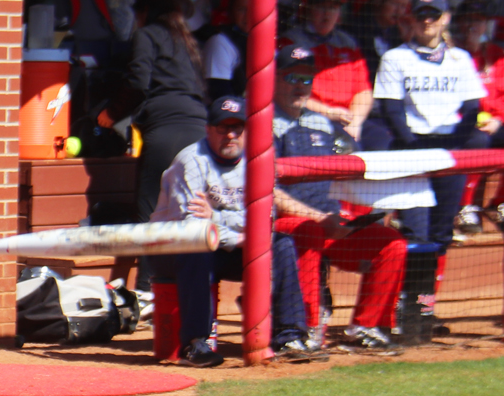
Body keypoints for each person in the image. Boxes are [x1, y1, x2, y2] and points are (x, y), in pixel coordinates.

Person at [149, 95, 316, 365]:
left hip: (233, 244)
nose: (230, 135)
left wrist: (216, 217)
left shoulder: (259, 160)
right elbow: (193, 227)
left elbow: (265, 219)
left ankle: (289, 336)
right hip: (173, 248)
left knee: (282, 244)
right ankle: (195, 344)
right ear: (208, 130)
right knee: (197, 249)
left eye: (237, 128)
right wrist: (242, 233)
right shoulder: (190, 161)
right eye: (222, 128)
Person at [271, 45, 407, 350]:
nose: (299, 86)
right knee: (308, 231)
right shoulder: (263, 122)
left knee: (392, 243)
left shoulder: (322, 123)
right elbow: (266, 190)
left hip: (332, 221)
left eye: (306, 79)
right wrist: (317, 218)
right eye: (292, 77)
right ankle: (302, 327)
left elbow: (346, 176)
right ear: (275, 79)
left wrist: (369, 209)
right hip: (284, 227)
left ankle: (366, 327)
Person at [99, 0, 209, 291]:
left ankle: (150, 289)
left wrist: (110, 114)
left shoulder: (146, 35)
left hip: (165, 128)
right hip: (199, 129)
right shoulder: (186, 40)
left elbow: (138, 82)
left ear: (145, 11)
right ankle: (192, 286)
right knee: (192, 208)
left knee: (152, 209)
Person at [372, 0, 486, 266]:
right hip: (410, 148)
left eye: (433, 15)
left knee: (442, 232)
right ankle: (409, 301)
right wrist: (414, 147)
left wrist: (453, 147)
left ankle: (425, 303)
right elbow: (392, 110)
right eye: (421, 14)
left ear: (445, 18)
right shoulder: (395, 57)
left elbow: (472, 107)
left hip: (449, 150)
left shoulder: (460, 59)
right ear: (411, 19)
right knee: (415, 232)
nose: (427, 21)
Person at [278, 0, 375, 143]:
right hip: (311, 116)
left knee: (382, 139)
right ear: (308, 9)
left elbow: (364, 92)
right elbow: (287, 91)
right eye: (321, 6)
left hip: (350, 118)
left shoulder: (348, 43)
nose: (327, 13)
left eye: (333, 8)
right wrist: (328, 112)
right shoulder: (291, 41)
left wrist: (356, 122)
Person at [453, 0, 504, 233]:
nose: (471, 25)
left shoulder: (496, 54)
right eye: (467, 19)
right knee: (478, 141)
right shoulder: (452, 54)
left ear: (486, 24)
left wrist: (499, 119)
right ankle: (465, 207)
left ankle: (499, 203)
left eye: (477, 20)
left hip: (494, 120)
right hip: (463, 121)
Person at [201, 0, 249, 101]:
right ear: (231, 13)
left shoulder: (270, 42)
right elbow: (219, 95)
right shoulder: (220, 42)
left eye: (255, 9)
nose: (249, 15)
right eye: (242, 10)